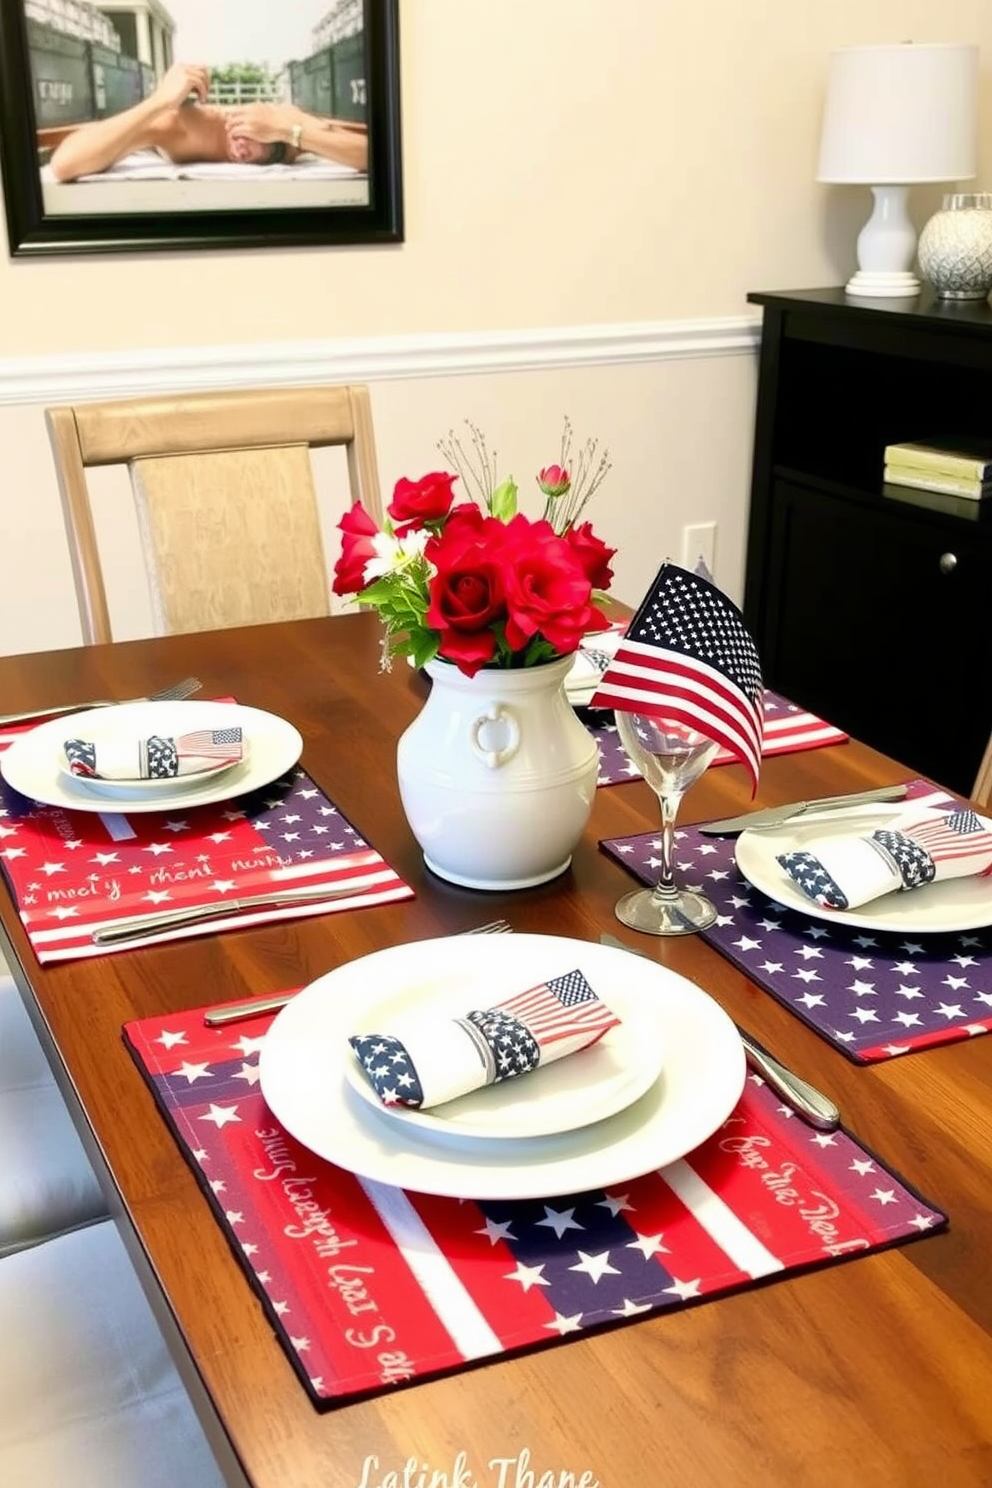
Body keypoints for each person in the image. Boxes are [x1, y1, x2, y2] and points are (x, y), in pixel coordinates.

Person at [49, 60, 368, 182]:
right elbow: (64, 164)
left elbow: (370, 155)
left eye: (257, 142)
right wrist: (160, 100)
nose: (242, 151)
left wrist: (287, 131)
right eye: (240, 135)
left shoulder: (287, 127)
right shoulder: (185, 125)